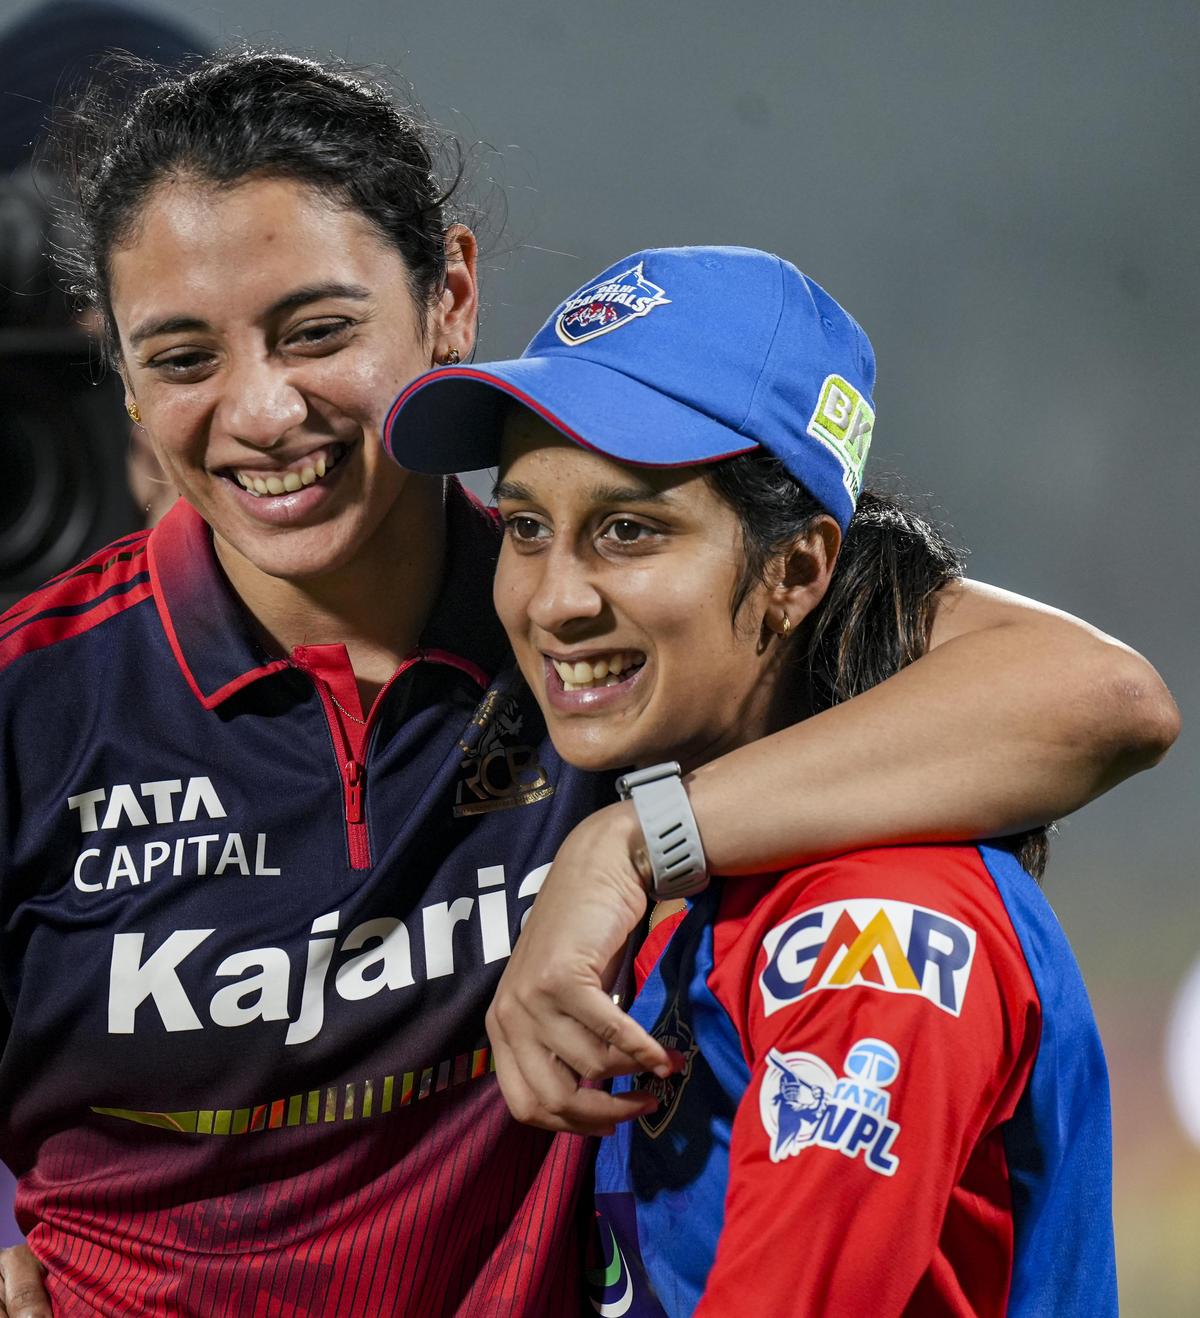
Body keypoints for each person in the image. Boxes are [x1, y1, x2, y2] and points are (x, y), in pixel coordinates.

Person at [0, 52, 1176, 1318]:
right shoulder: (35, 698)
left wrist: (623, 844)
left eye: (320, 331)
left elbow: (1098, 696)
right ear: (119, 376)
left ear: (450, 296)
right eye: (181, 356)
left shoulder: (604, 644)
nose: (264, 409)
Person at [383, 245, 1126, 1314]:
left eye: (629, 530)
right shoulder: (711, 866)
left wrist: (632, 838)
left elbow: (1113, 694)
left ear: (795, 571)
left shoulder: (870, 923)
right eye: (529, 526)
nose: (554, 601)